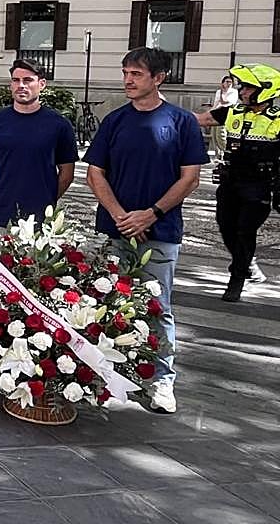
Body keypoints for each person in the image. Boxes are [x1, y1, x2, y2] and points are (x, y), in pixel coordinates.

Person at [84, 47, 206, 415]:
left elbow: (191, 178)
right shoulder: (115, 121)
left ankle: (162, 380)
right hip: (115, 228)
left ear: (158, 78)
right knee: (107, 304)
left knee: (158, 307)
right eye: (125, 73)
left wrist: (151, 214)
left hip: (161, 231)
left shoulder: (182, 122)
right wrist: (122, 215)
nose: (127, 80)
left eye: (136, 74)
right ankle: (109, 373)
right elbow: (95, 173)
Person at [194, 64, 279, 301]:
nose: (242, 92)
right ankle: (247, 262)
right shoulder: (233, 111)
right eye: (242, 87)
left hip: (259, 185)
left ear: (266, 90)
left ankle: (237, 278)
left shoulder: (278, 120)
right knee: (225, 225)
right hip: (231, 182)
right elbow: (200, 120)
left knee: (245, 230)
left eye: (248, 88)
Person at [0, 57, 77, 229]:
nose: (21, 85)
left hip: (40, 218)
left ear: (42, 84)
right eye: (16, 80)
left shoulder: (59, 125)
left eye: (28, 80)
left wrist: (48, 199)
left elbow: (67, 173)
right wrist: (1, 191)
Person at [208, 75, 239, 161]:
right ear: (223, 83)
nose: (229, 84)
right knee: (214, 135)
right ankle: (218, 155)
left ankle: (226, 152)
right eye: (227, 82)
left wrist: (222, 93)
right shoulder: (218, 92)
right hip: (216, 112)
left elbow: (224, 102)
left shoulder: (234, 92)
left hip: (225, 114)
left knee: (221, 135)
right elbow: (216, 103)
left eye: (230, 82)